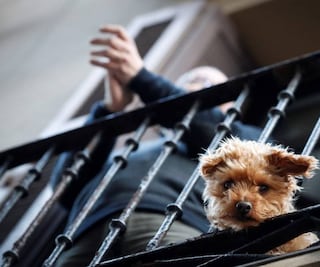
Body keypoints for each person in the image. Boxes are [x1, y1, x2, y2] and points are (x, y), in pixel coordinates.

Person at [51, 25, 262, 266]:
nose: (201, 86)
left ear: (231, 109)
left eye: (214, 86)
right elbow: (64, 188)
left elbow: (209, 126)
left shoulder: (244, 139)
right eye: (193, 80)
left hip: (174, 222)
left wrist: (140, 78)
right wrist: (109, 112)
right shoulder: (131, 152)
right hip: (86, 233)